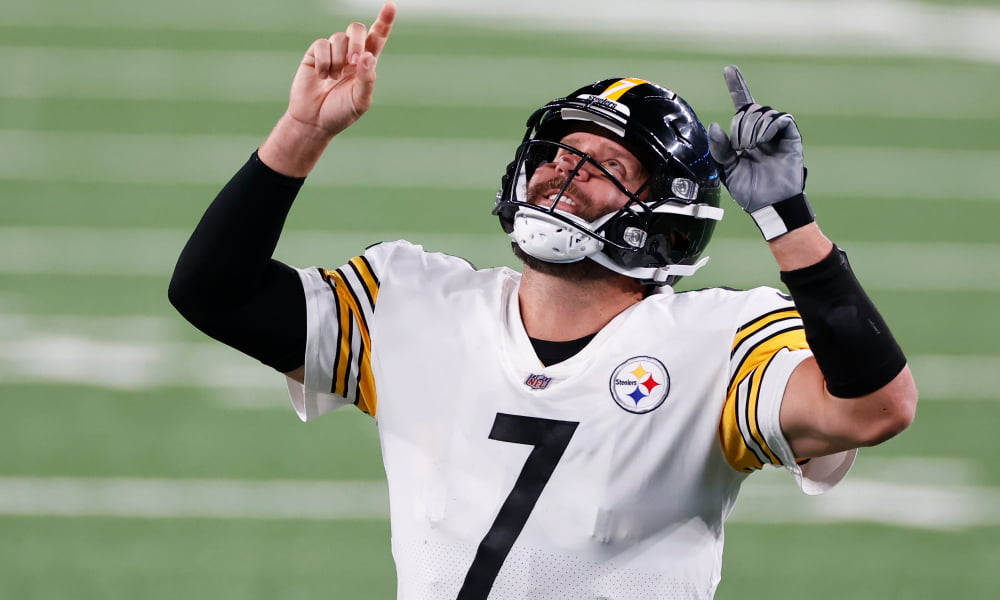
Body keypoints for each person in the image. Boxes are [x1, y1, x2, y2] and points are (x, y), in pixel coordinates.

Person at [168, 2, 918, 598]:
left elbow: (877, 408)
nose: (564, 169)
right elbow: (212, 292)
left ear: (666, 217)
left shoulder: (719, 343)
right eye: (560, 151)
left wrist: (789, 222)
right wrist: (302, 130)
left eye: (606, 163)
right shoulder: (416, 301)